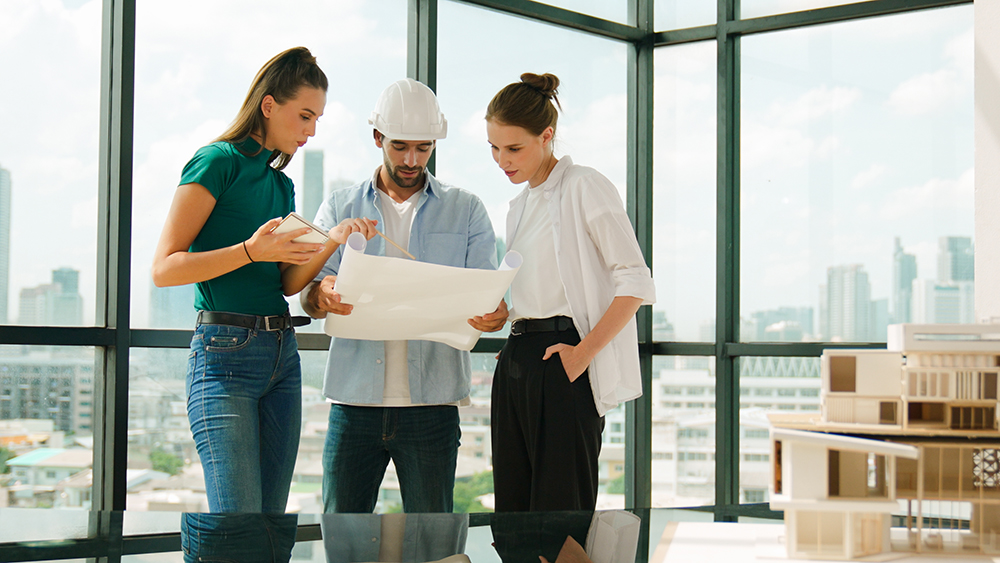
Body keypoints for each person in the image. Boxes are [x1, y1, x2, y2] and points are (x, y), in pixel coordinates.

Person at [151, 47, 377, 513]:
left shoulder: (281, 185)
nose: (312, 130)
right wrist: (251, 250)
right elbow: (164, 268)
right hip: (223, 356)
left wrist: (333, 239)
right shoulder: (216, 162)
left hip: (281, 356)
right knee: (238, 521)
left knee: (271, 521)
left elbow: (289, 284)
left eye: (318, 119)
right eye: (305, 115)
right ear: (269, 105)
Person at [301, 78, 508, 513]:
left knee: (433, 543)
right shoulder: (339, 207)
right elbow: (307, 293)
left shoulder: (466, 209)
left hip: (432, 407)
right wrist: (322, 294)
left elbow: (484, 292)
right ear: (378, 137)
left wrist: (496, 313)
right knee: (344, 538)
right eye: (400, 147)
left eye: (424, 148)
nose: (412, 160)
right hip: (353, 403)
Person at [485, 73, 656, 511]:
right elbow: (539, 285)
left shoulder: (584, 184)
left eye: (514, 148)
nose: (502, 160)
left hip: (564, 361)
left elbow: (634, 280)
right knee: (513, 517)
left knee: (562, 516)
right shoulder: (518, 207)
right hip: (517, 361)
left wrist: (582, 355)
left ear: (547, 136)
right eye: (494, 148)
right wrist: (505, 317)